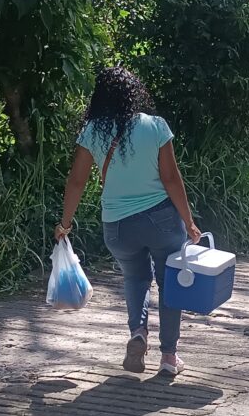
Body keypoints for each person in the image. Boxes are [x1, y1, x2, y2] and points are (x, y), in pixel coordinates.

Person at [55, 67, 202, 376]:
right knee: (169, 284)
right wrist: (189, 221)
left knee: (135, 279)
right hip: (161, 219)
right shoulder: (156, 127)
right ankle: (169, 357)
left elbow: (77, 182)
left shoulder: (92, 131)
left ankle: (138, 333)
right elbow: (172, 179)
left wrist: (65, 224)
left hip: (118, 225)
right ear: (135, 93)